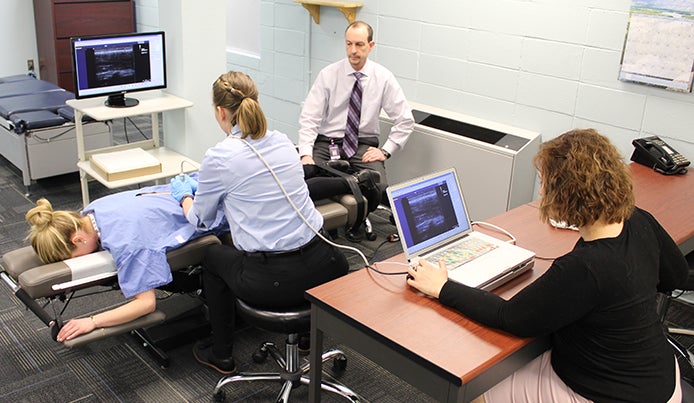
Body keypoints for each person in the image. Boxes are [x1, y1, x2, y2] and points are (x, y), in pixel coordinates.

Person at [407, 129, 688, 403]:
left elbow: (511, 317)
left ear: (565, 193)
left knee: (475, 391)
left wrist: (443, 287)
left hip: (610, 393)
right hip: (661, 378)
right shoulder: (639, 219)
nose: (541, 192)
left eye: (545, 183)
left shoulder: (585, 266)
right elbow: (675, 276)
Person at [170, 71, 349, 375]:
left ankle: (222, 353)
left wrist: (185, 196)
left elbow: (201, 221)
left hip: (273, 282)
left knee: (213, 256)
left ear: (220, 112)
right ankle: (305, 339)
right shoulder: (282, 141)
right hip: (327, 262)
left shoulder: (220, 157)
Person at [24, 178, 228, 343]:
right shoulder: (93, 209)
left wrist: (92, 321)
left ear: (78, 239)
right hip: (203, 184)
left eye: (71, 257)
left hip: (223, 209)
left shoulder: (127, 246)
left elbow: (146, 304)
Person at [297, 21, 415, 226]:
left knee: (379, 185)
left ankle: (356, 221)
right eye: (349, 44)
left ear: (371, 45)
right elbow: (310, 117)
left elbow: (405, 120)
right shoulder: (328, 75)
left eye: (359, 44)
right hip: (328, 143)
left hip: (362, 145)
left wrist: (386, 151)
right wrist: (306, 153)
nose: (353, 50)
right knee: (305, 181)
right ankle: (324, 225)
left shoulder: (383, 78)